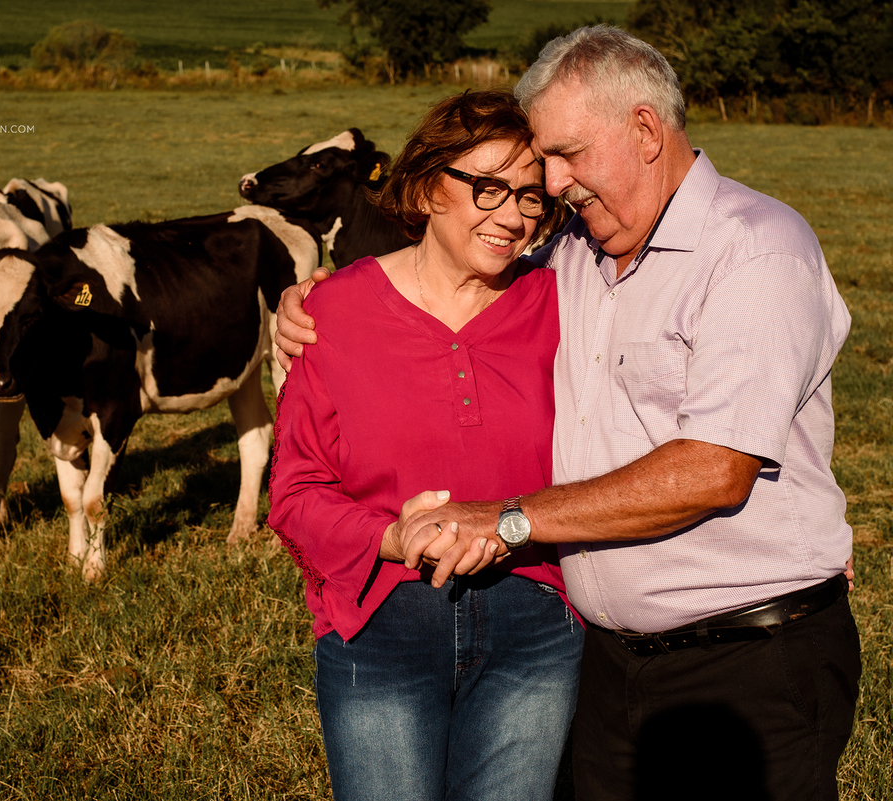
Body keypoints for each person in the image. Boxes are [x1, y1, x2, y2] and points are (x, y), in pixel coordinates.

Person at [274, 26, 860, 801]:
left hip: (745, 655)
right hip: (609, 665)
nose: (549, 188)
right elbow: (451, 276)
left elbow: (715, 469)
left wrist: (508, 520)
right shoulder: (574, 258)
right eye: (532, 170)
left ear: (645, 130)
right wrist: (311, 300)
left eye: (563, 157)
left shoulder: (754, 251)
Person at [266, 89, 582, 801]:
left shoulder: (561, 301)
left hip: (532, 622)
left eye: (530, 197)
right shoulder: (331, 312)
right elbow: (294, 493)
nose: (513, 217)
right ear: (425, 188)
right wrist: (391, 536)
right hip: (382, 621)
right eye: (488, 188)